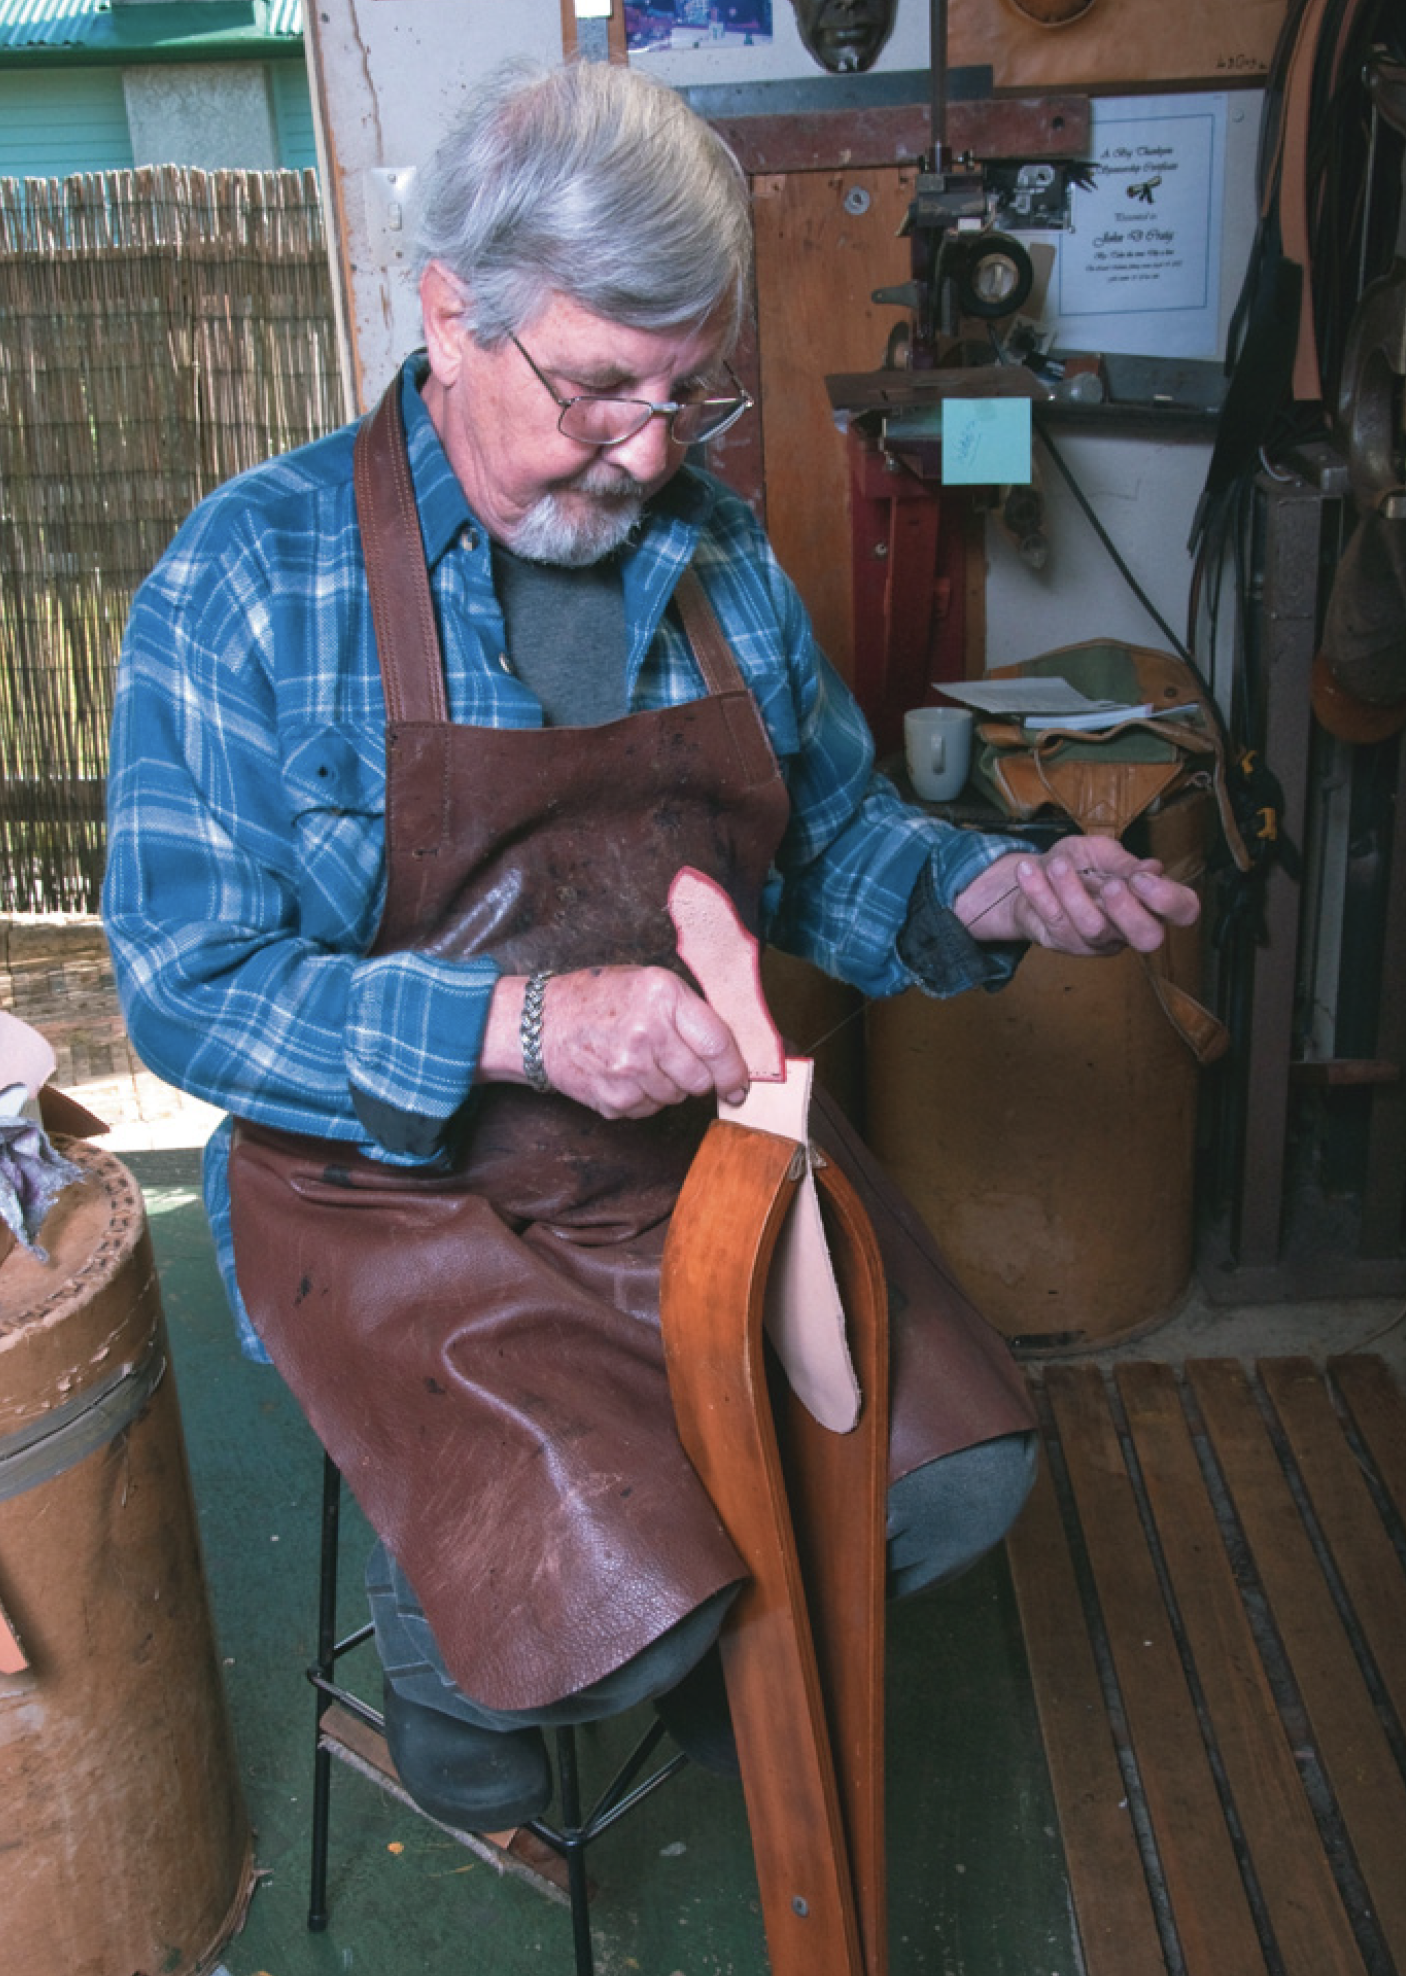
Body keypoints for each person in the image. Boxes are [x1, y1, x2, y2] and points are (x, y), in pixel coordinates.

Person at [104, 57, 1199, 1833]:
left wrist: (984, 888)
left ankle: (693, 1656)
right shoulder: (248, 579)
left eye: (688, 392)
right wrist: (524, 1027)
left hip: (694, 1154)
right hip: (399, 1199)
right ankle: (485, 1675)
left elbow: (836, 842)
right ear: (450, 315)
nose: (651, 448)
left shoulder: (719, 560)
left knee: (954, 1488)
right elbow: (183, 991)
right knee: (596, 1618)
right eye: (601, 387)